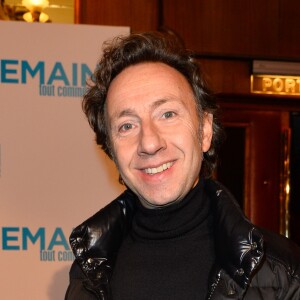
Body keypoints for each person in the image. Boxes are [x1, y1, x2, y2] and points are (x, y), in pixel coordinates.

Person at [65, 32, 300, 300]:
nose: (149, 143)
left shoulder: (281, 273)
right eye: (127, 126)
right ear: (111, 150)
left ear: (204, 131)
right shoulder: (89, 271)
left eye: (167, 114)